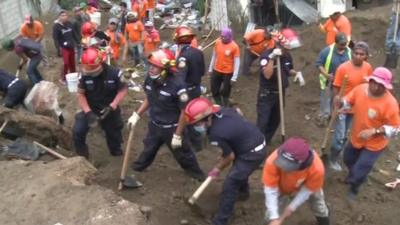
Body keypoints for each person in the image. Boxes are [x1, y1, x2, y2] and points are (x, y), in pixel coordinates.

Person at [184, 97, 267, 225]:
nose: (196, 127)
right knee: (239, 171)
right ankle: (243, 193)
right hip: (254, 139)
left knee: (231, 183)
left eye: (197, 124)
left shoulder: (216, 134)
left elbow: (230, 157)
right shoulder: (222, 111)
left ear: (206, 119)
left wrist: (217, 168)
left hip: (252, 153)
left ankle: (220, 220)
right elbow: (238, 112)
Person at [127, 49, 205, 180]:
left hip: (172, 128)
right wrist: (137, 115)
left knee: (183, 154)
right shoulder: (150, 79)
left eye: (155, 66)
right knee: (149, 148)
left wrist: (178, 134)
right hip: (155, 124)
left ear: (164, 69)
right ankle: (138, 167)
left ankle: (197, 175)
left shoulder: (178, 86)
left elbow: (184, 111)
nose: (151, 68)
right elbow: (149, 97)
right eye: (150, 65)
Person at [335, 67, 400, 199]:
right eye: (374, 82)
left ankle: (355, 187)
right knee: (348, 159)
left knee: (362, 167)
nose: (376, 87)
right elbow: (348, 103)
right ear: (369, 80)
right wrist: (341, 102)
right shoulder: (360, 89)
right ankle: (357, 175)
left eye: (381, 85)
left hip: (375, 144)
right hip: (357, 135)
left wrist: (375, 131)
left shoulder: (391, 104)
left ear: (386, 87)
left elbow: (395, 129)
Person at [73, 47, 128, 159]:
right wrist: (88, 112)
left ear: (101, 63)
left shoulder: (115, 73)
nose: (90, 73)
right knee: (78, 131)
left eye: (92, 70)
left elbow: (123, 89)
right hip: (91, 108)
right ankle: (82, 156)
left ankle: (115, 151)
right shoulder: (84, 75)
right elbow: (81, 94)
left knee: (113, 133)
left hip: (109, 108)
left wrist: (112, 106)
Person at [263, 137, 330, 225]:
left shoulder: (317, 168)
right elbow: (270, 189)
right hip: (282, 184)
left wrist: (291, 207)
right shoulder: (272, 161)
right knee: (271, 212)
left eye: (288, 166)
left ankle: (324, 222)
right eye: (283, 163)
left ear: (302, 163)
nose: (284, 168)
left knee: (318, 203)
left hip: (308, 182)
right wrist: (274, 217)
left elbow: (307, 191)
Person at [329, 41, 373, 171]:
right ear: (352, 53)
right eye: (356, 53)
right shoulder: (343, 68)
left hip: (358, 107)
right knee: (340, 136)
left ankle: (339, 152)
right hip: (343, 106)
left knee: (347, 134)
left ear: (366, 56)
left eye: (362, 54)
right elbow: (336, 87)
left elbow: (369, 85)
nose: (358, 56)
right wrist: (336, 102)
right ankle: (333, 158)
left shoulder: (368, 67)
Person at [257, 28, 304, 145]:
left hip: (280, 93)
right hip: (267, 94)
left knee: (276, 120)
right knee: (263, 121)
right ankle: (256, 145)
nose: (289, 50)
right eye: (286, 47)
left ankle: (266, 141)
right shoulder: (266, 56)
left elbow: (288, 69)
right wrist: (272, 58)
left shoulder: (287, 56)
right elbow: (267, 75)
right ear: (279, 44)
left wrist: (297, 73)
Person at [173, 25, 205, 151]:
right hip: (196, 88)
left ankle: (188, 140)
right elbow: (202, 71)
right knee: (194, 115)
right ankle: (198, 142)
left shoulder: (183, 57)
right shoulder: (198, 53)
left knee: (184, 116)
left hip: (186, 91)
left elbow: (180, 77)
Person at [315, 32, 351, 126]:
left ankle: (334, 115)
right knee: (326, 99)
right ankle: (324, 117)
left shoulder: (349, 52)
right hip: (329, 81)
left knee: (337, 100)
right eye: (342, 44)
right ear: (336, 43)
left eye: (345, 43)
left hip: (343, 83)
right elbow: (319, 64)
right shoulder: (327, 51)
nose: (344, 45)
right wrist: (326, 75)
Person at [208, 27, 240, 106]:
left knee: (225, 91)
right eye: (221, 36)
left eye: (224, 37)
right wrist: (210, 68)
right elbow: (214, 56)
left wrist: (234, 77)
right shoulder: (217, 43)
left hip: (228, 72)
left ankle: (226, 106)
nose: (222, 38)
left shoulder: (234, 47)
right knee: (214, 89)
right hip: (217, 70)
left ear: (229, 36)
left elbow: (237, 62)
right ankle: (219, 104)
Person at [53, 10, 77, 85]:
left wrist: (78, 42)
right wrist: (58, 48)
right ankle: (63, 78)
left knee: (72, 62)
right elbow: (55, 38)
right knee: (66, 63)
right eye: (62, 15)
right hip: (63, 47)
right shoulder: (56, 26)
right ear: (59, 17)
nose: (64, 17)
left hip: (71, 46)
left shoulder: (69, 24)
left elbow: (74, 34)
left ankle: (73, 76)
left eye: (65, 15)